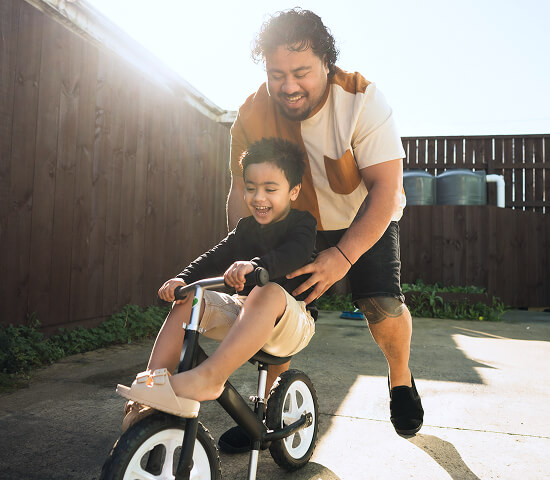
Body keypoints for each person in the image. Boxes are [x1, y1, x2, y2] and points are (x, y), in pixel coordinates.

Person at [221, 8, 423, 451]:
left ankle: (401, 380)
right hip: (297, 227)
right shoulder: (251, 115)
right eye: (277, 74)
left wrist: (344, 256)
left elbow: (387, 189)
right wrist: (248, 256)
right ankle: (261, 411)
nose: (288, 86)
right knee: (279, 310)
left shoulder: (363, 99)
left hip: (363, 216)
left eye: (301, 72)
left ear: (326, 65)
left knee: (380, 304)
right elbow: (241, 194)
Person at [117, 137, 317, 427]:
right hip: (246, 316)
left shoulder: (302, 224)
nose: (258, 197)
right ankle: (151, 386)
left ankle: (211, 377)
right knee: (192, 298)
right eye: (251, 188)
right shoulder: (245, 228)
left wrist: (256, 266)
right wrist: (183, 279)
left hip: (293, 320)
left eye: (270, 189)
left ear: (294, 191)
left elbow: (294, 254)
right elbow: (214, 256)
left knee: (267, 291)